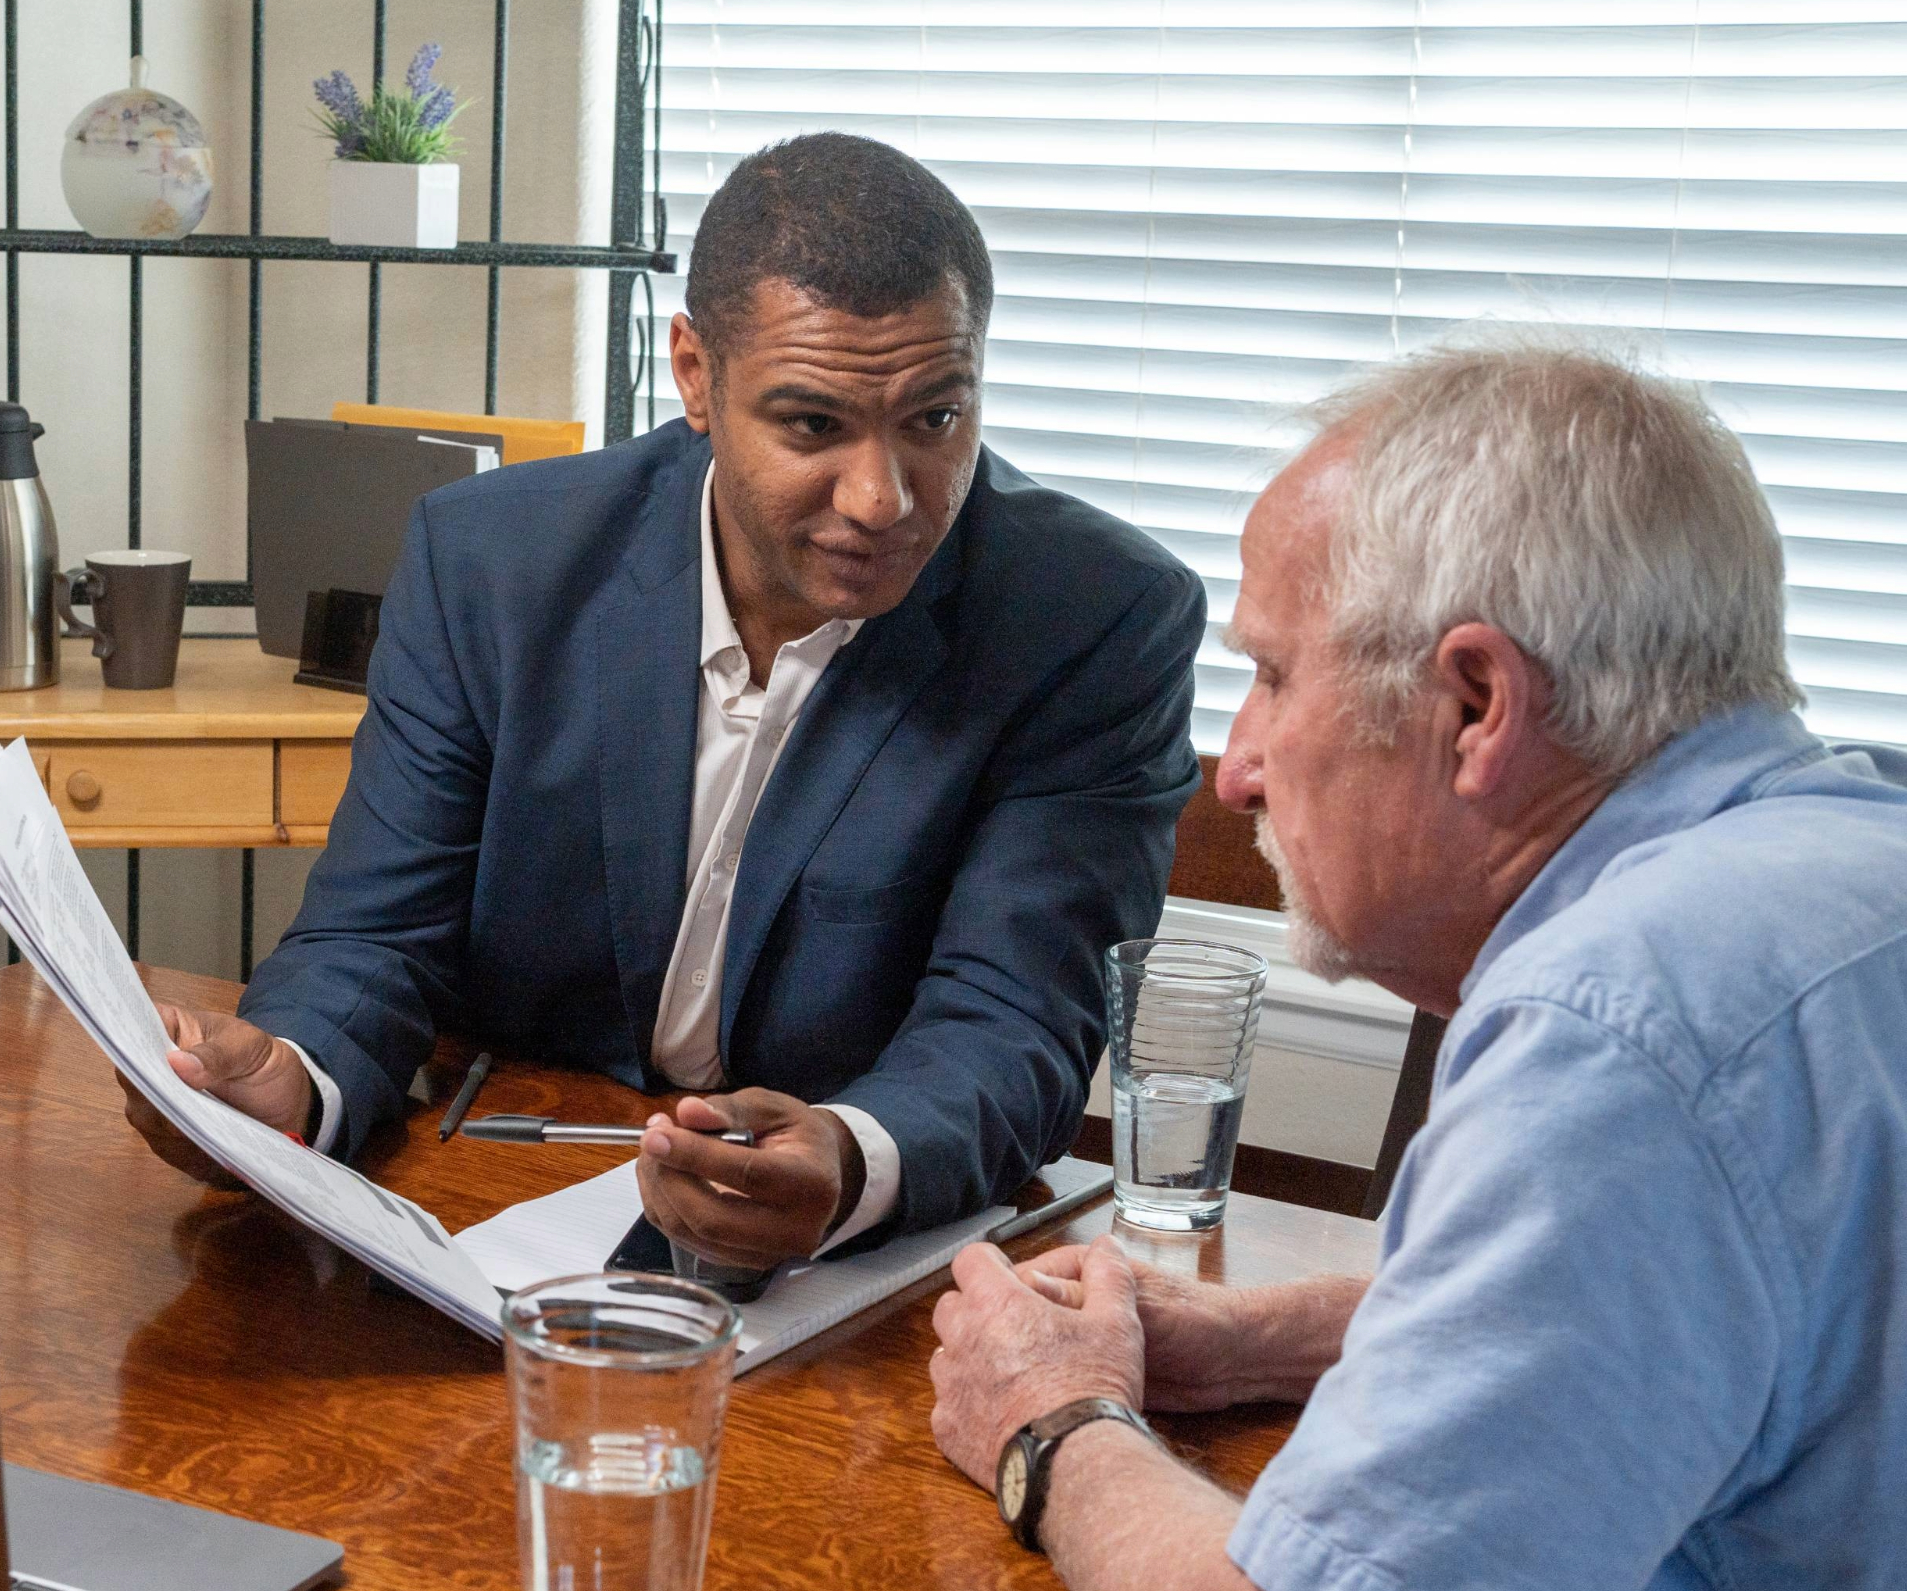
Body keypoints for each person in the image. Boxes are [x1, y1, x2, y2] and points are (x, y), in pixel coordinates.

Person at [926, 341, 1907, 1591]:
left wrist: (1054, 1420)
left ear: (1475, 704)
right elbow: (1758, 1316)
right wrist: (1284, 1338)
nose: (1238, 764)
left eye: (1270, 675)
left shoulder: (1617, 1020)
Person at [120, 133, 1206, 1267]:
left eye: (934, 420)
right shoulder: (494, 563)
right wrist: (283, 1084)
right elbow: (377, 936)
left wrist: (845, 1159)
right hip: (484, 1183)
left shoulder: (1092, 619)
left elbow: (1013, 1022)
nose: (882, 499)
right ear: (694, 375)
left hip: (855, 1268)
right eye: (812, 424)